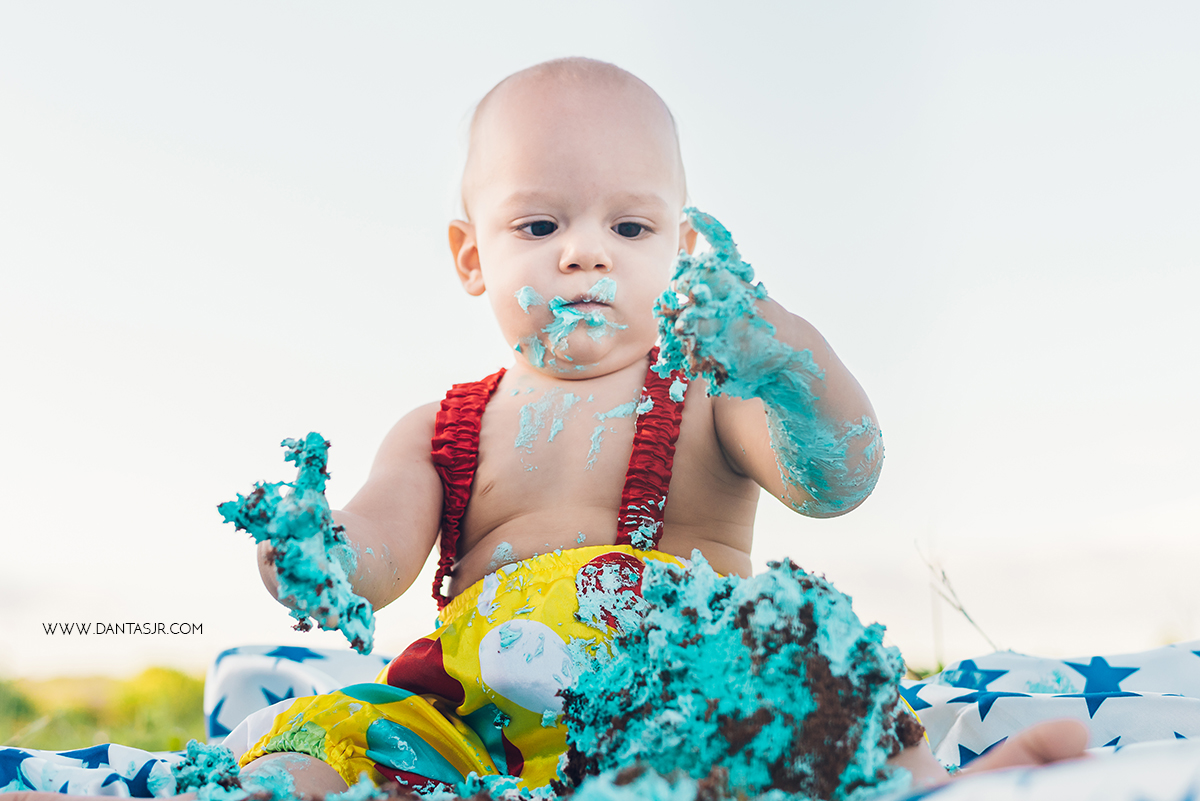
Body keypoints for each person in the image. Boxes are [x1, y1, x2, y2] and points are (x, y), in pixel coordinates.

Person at [0, 56, 1087, 801]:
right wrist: (317, 555)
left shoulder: (709, 397)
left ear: (681, 252)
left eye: (631, 225)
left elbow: (836, 480)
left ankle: (926, 787)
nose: (586, 251)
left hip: (682, 699)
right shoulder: (443, 427)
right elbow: (376, 557)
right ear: (473, 256)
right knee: (323, 729)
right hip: (473, 719)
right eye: (540, 222)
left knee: (801, 682)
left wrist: (793, 365)